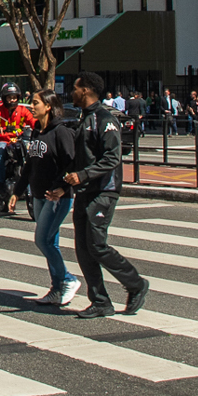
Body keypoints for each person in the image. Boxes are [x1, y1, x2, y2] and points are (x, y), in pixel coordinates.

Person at [61, 71, 148, 319]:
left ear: (86, 90)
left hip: (103, 190)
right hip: (85, 191)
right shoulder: (83, 117)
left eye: (75, 88)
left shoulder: (104, 118)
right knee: (83, 248)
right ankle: (100, 301)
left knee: (97, 246)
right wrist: (66, 182)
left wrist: (84, 175)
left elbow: (112, 157)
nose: (72, 92)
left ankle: (136, 284)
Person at [26, 93, 84, 310]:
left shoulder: (61, 132)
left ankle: (68, 279)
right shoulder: (36, 131)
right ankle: (57, 288)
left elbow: (72, 162)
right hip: (39, 195)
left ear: (48, 106)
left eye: (35, 103)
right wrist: (18, 191)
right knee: (52, 243)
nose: (31, 106)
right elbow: (30, 164)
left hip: (57, 196)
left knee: (42, 241)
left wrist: (63, 188)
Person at [0, 84, 36, 215]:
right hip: (2, 140)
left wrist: (40, 126)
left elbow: (32, 120)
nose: (12, 100)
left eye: (15, 97)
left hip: (18, 140)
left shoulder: (22, 110)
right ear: (4, 98)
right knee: (0, 149)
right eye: (9, 97)